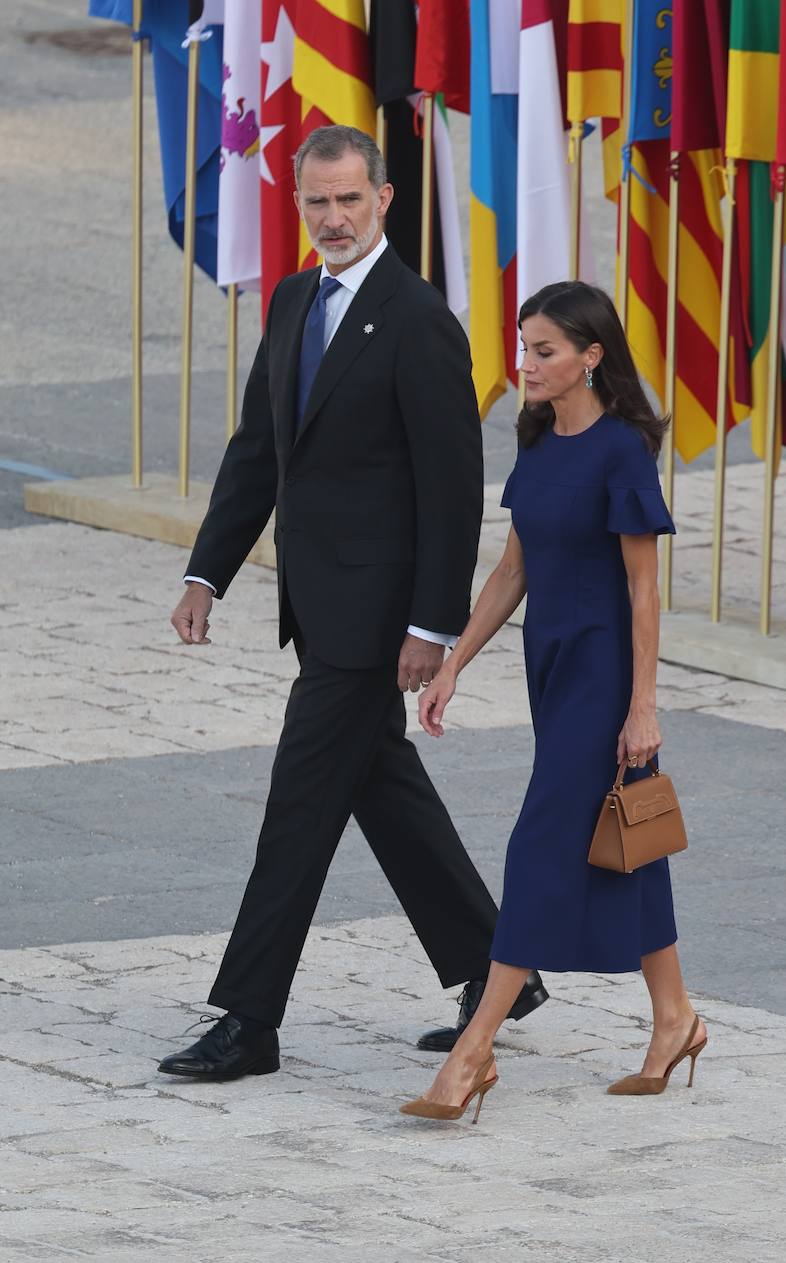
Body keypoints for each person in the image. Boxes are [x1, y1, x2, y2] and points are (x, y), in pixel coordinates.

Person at [158, 126, 546, 1083]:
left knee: (299, 807)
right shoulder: (293, 299)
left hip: (374, 621)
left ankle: (248, 1019)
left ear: (383, 199)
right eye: (315, 203)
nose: (332, 219)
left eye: (348, 200)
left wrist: (430, 627)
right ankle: (501, 966)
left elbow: (452, 489)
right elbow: (261, 448)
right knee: (381, 785)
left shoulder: (419, 321)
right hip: (316, 602)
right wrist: (208, 570)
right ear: (300, 206)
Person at [400, 281, 706, 1124]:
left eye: (545, 351)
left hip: (606, 673)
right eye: (524, 346)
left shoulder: (620, 451)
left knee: (540, 847)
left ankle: (473, 1053)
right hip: (553, 666)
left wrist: (643, 707)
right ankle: (675, 1018)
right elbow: (513, 569)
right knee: (627, 835)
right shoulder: (538, 441)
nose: (526, 364)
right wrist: (456, 662)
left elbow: (645, 592)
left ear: (591, 357)